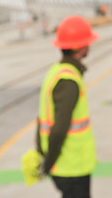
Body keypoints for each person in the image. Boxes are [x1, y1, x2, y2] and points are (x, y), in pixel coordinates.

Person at [36, 15, 99, 198]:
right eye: (86, 42)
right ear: (79, 47)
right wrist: (47, 164)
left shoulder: (56, 72)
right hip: (72, 168)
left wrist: (42, 152)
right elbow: (59, 129)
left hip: (67, 168)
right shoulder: (68, 80)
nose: (89, 46)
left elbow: (41, 118)